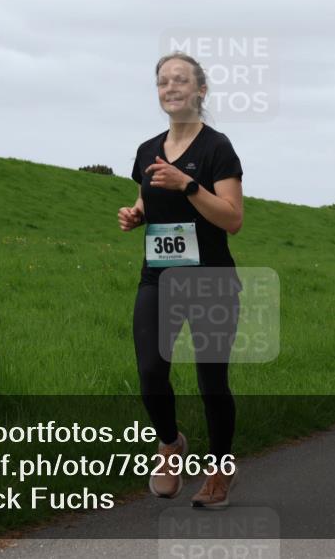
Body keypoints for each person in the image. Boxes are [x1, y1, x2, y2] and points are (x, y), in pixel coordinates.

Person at [118, 51, 244, 509]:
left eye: (180, 81)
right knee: (151, 372)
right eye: (162, 82)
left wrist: (188, 185)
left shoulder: (217, 148)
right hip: (158, 279)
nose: (170, 88)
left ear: (201, 91)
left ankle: (219, 472)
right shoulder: (146, 150)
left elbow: (232, 219)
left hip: (211, 281)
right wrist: (137, 214)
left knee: (211, 381)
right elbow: (149, 199)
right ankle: (170, 445)